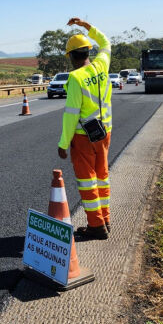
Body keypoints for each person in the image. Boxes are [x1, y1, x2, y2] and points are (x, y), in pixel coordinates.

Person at [57, 17, 113, 240]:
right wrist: (86, 26)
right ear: (88, 51)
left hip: (83, 137)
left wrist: (63, 144)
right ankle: (105, 219)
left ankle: (96, 226)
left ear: (71, 56)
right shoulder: (102, 65)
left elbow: (71, 116)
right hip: (105, 132)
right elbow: (106, 42)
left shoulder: (75, 78)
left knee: (87, 180)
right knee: (102, 177)